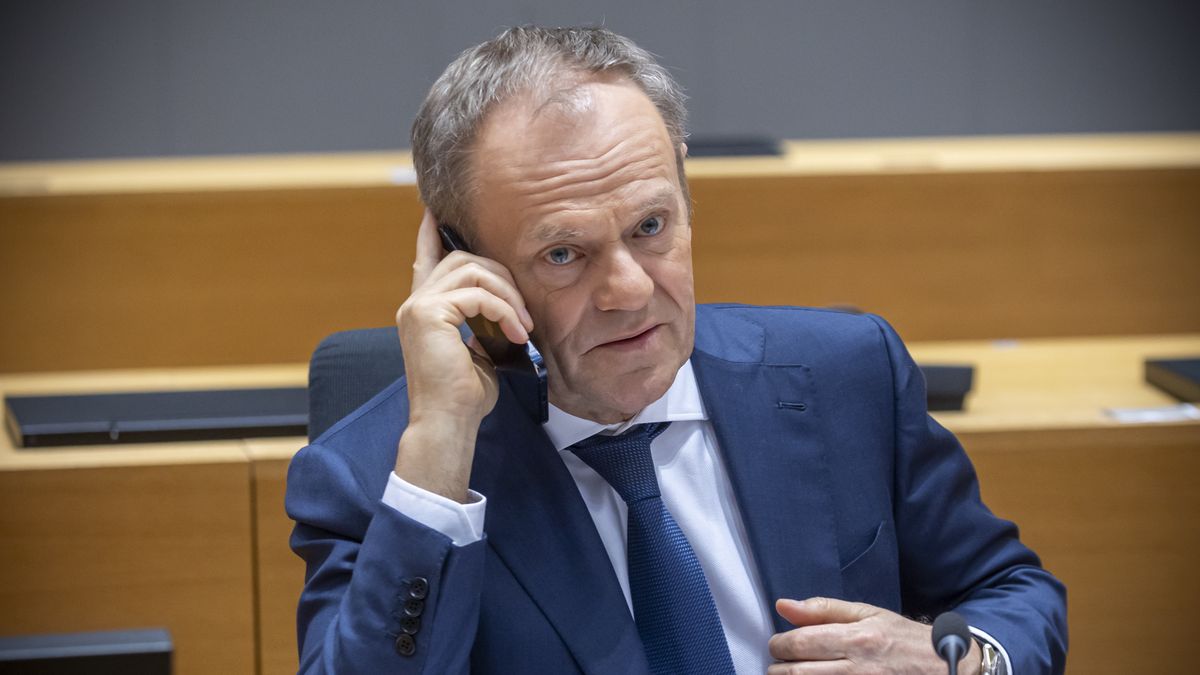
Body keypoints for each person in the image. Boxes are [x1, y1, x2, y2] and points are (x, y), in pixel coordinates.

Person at [286, 26, 1067, 674]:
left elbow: (1012, 591)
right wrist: (442, 447)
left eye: (650, 226)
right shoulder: (379, 481)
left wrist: (962, 663)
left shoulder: (845, 373)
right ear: (468, 264)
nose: (628, 289)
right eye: (564, 253)